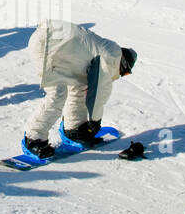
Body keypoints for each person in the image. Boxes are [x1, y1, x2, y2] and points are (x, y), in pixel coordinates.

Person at [21, 20, 134, 160]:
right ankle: (33, 139)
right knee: (57, 94)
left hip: (56, 45)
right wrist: (95, 120)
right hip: (47, 44)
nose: (121, 75)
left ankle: (74, 129)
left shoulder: (107, 50)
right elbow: (99, 91)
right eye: (125, 72)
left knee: (79, 86)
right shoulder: (111, 58)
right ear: (124, 63)